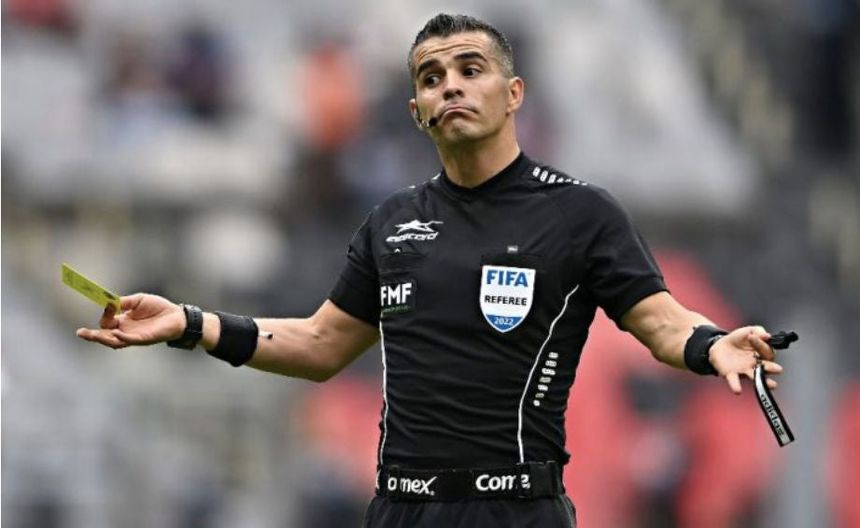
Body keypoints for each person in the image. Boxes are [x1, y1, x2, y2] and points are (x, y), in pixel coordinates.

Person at [77, 13, 785, 528]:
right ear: (416, 110)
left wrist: (711, 345)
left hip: (516, 511)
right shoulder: (391, 222)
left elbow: (660, 321)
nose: (451, 87)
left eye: (471, 70)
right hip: (402, 510)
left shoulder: (580, 214)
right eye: (431, 77)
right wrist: (190, 323)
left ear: (514, 93)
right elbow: (320, 345)